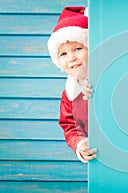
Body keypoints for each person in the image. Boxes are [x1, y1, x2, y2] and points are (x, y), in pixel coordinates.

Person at [47, 6, 96, 163]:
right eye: (63, 54)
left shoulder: (108, 75)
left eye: (77, 49)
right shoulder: (69, 94)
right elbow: (70, 125)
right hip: (100, 155)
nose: (71, 58)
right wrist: (80, 144)